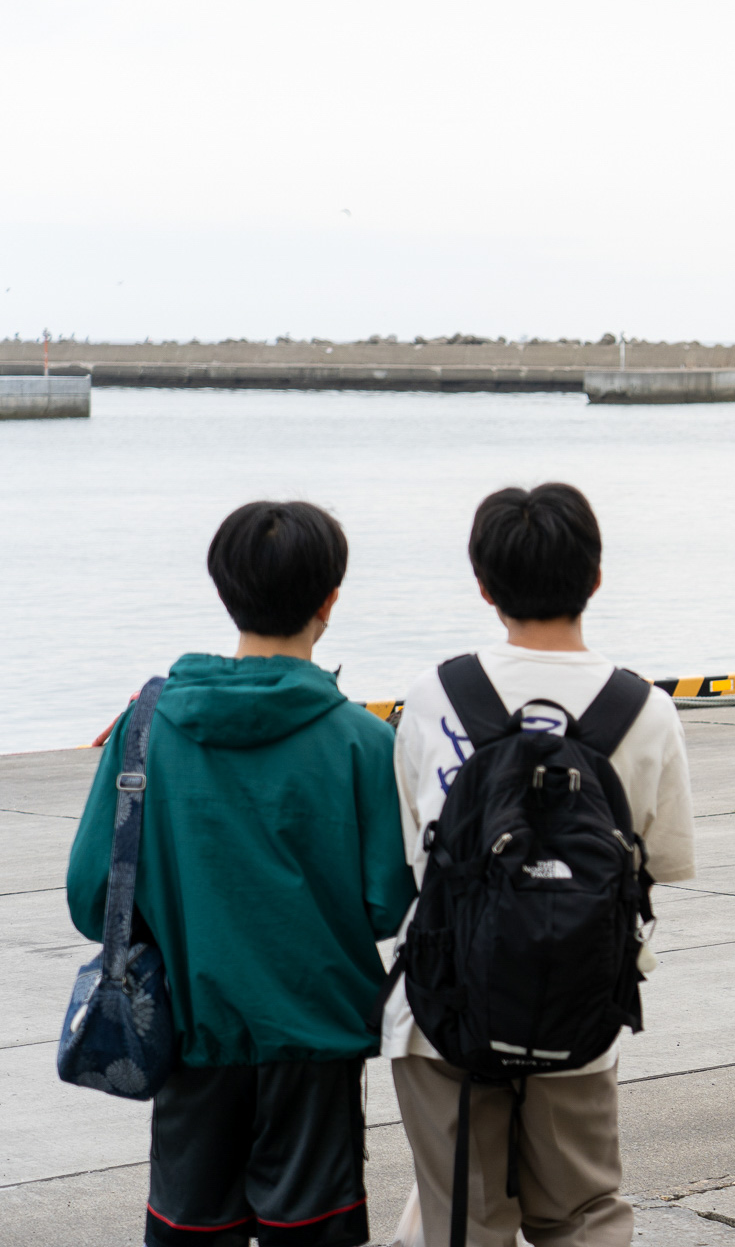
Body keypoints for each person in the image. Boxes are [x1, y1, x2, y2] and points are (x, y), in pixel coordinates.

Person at [67, 500, 415, 1247]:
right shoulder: (363, 742)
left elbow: (94, 897)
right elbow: (389, 903)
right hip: (315, 1042)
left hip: (187, 1034)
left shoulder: (143, 729)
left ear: (224, 591)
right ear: (329, 601)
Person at [382, 483, 695, 1247]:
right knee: (582, 1217)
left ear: (484, 586)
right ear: (595, 577)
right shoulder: (644, 709)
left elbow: (413, 856)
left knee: (463, 1225)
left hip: (444, 1011)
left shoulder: (434, 695)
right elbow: (665, 860)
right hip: (577, 1001)